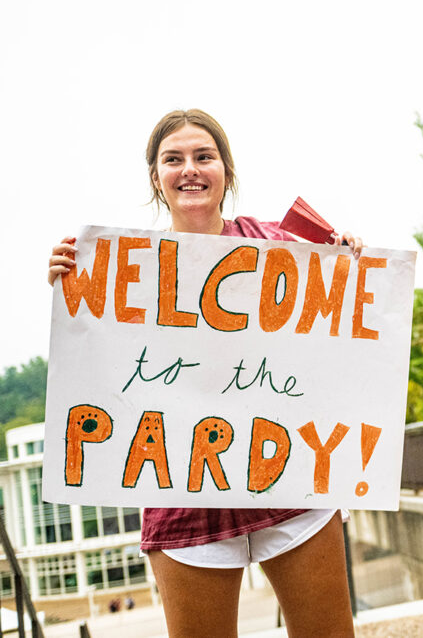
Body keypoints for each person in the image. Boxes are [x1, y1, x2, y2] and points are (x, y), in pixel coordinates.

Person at [48, 109, 360, 638]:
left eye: (203, 156)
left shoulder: (279, 243)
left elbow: (344, 331)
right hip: (184, 497)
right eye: (174, 159)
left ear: (226, 171)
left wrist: (351, 265)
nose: (189, 169)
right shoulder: (124, 269)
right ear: (156, 178)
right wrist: (71, 290)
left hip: (288, 481)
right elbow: (102, 375)